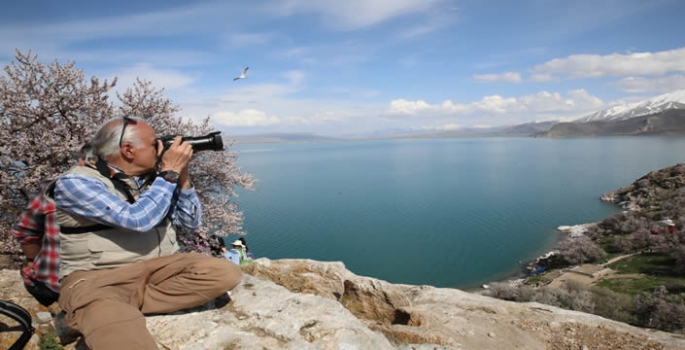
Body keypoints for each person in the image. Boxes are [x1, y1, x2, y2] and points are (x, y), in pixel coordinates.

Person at [51, 116, 242, 350]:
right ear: (128, 150)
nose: (162, 148)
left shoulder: (154, 181)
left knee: (224, 273)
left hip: (159, 271)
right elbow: (137, 221)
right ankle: (98, 309)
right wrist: (169, 172)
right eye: (155, 144)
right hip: (101, 279)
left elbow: (190, 223)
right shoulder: (76, 182)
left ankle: (115, 307)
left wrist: (181, 175)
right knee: (123, 339)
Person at [11, 143, 94, 307]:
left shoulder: (51, 189)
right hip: (100, 286)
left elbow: (25, 231)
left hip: (52, 284)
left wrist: (32, 260)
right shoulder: (123, 194)